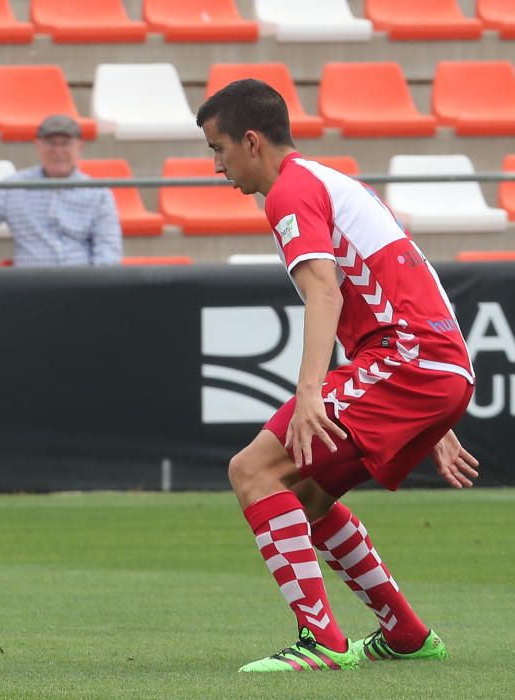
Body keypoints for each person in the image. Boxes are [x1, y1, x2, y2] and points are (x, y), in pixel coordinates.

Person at [195, 79, 478, 672]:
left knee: (253, 470)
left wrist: (308, 396)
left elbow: (323, 292)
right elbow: (406, 274)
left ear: (251, 141)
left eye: (219, 149)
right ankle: (404, 632)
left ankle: (321, 642)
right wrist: (441, 402)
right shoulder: (330, 182)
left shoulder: (289, 194)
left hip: (410, 359)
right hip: (428, 361)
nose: (216, 166)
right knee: (305, 495)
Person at [0, 115, 123, 266]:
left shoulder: (98, 193)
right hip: (31, 290)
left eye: (64, 143)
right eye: (51, 143)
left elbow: (108, 251)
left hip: (82, 288)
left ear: (79, 147)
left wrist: (98, 290)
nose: (57, 151)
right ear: (38, 146)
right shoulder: (15, 186)